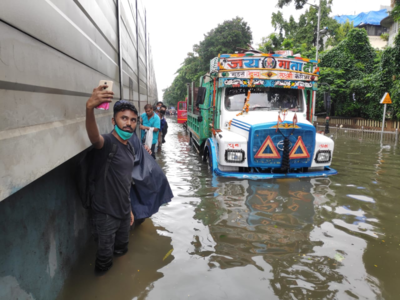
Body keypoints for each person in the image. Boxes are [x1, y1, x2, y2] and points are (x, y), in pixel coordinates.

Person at [85, 85, 137, 273]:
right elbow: (94, 137)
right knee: (104, 260)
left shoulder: (130, 147)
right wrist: (89, 108)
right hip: (105, 214)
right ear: (113, 120)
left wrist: (129, 210)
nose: (128, 123)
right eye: (124, 118)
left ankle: (122, 281)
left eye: (133, 120)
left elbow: (125, 182)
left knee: (122, 250)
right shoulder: (107, 143)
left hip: (124, 213)